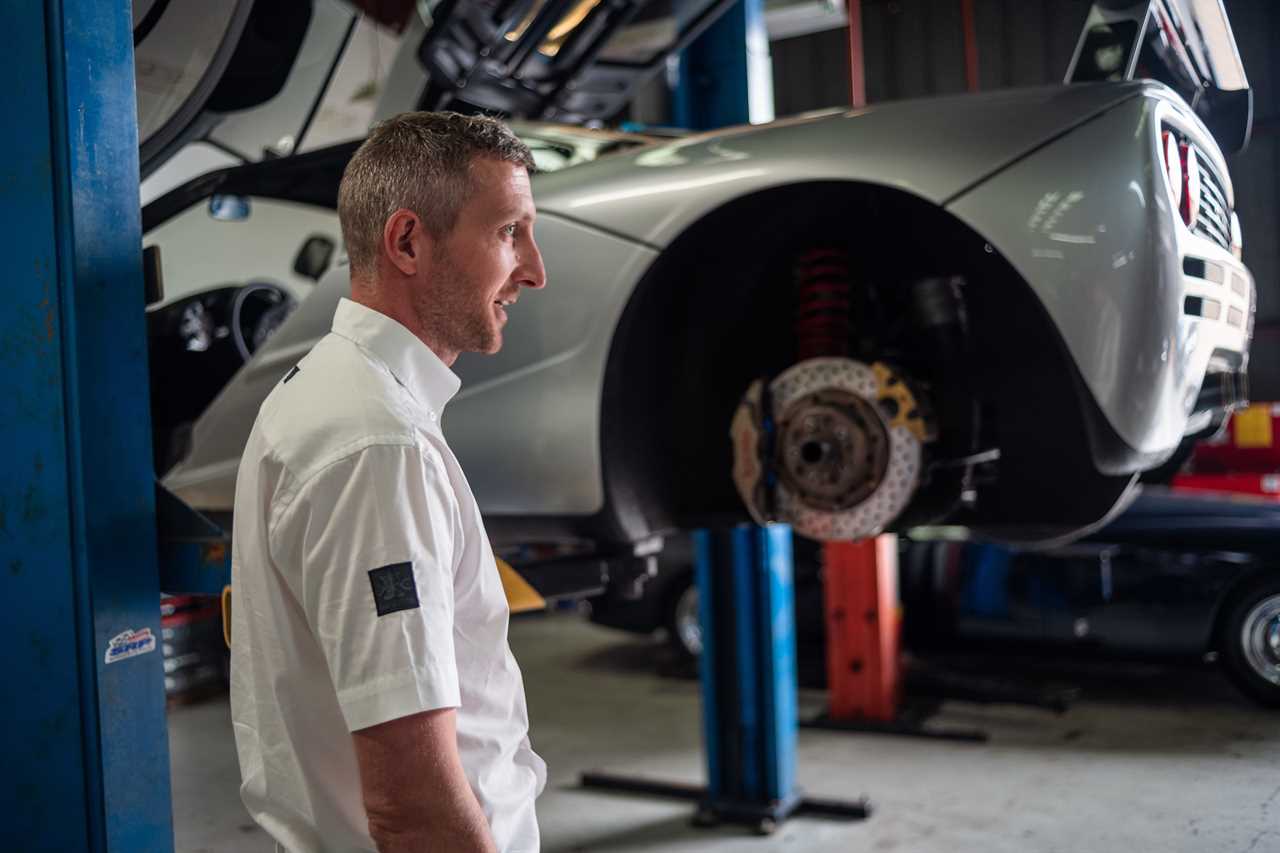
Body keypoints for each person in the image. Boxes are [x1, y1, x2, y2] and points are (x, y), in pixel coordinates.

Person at [229, 112, 548, 853]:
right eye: (509, 232)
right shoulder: (376, 445)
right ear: (407, 241)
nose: (534, 269)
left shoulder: (340, 397)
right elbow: (413, 803)